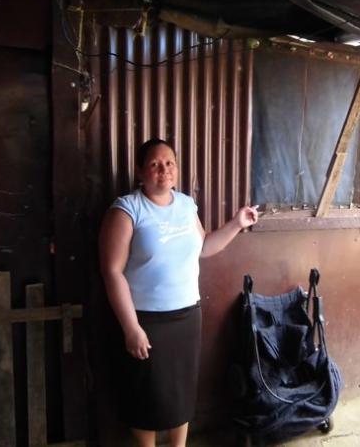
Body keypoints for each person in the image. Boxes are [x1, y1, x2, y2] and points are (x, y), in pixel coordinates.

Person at [99, 138, 258, 447]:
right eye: (155, 164)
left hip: (186, 317)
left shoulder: (186, 205)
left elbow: (205, 246)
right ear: (140, 171)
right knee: (146, 394)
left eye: (169, 162)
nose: (164, 169)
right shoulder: (127, 209)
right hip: (146, 320)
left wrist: (237, 223)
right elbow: (112, 272)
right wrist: (131, 328)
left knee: (181, 391)